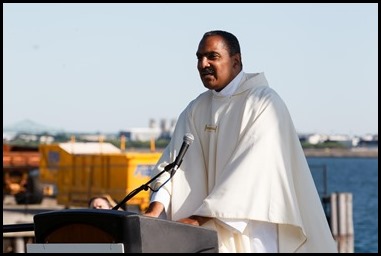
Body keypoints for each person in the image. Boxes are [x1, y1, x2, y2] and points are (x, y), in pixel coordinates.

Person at [144, 30, 338, 253]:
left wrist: (198, 218)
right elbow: (173, 165)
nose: (202, 64)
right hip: (204, 229)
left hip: (253, 229)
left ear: (236, 61)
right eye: (198, 57)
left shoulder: (264, 102)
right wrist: (155, 211)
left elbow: (249, 173)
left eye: (212, 56)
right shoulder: (196, 109)